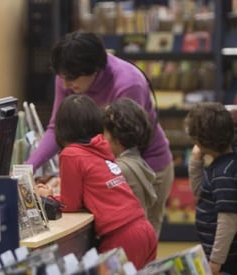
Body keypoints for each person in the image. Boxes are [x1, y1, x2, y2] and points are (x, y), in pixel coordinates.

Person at [25, 31, 174, 237]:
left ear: (94, 70)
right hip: (108, 166)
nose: (66, 85)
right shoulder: (68, 76)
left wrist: (80, 173)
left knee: (136, 243)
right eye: (61, 78)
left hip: (144, 167)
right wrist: (27, 169)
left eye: (71, 79)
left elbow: (124, 145)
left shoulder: (129, 83)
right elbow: (56, 128)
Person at [35, 94, 157, 270]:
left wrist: (48, 197)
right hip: (143, 229)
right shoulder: (101, 146)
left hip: (121, 235)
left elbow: (71, 204)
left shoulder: (71, 154)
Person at [185, 102, 237, 275]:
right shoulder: (222, 164)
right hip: (219, 256)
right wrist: (196, 159)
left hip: (226, 262)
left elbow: (228, 222)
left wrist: (215, 261)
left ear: (200, 141)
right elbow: (199, 192)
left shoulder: (225, 174)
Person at [102, 98, 157, 221]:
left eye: (104, 133)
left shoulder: (118, 169)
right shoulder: (137, 161)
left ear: (117, 137)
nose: (102, 138)